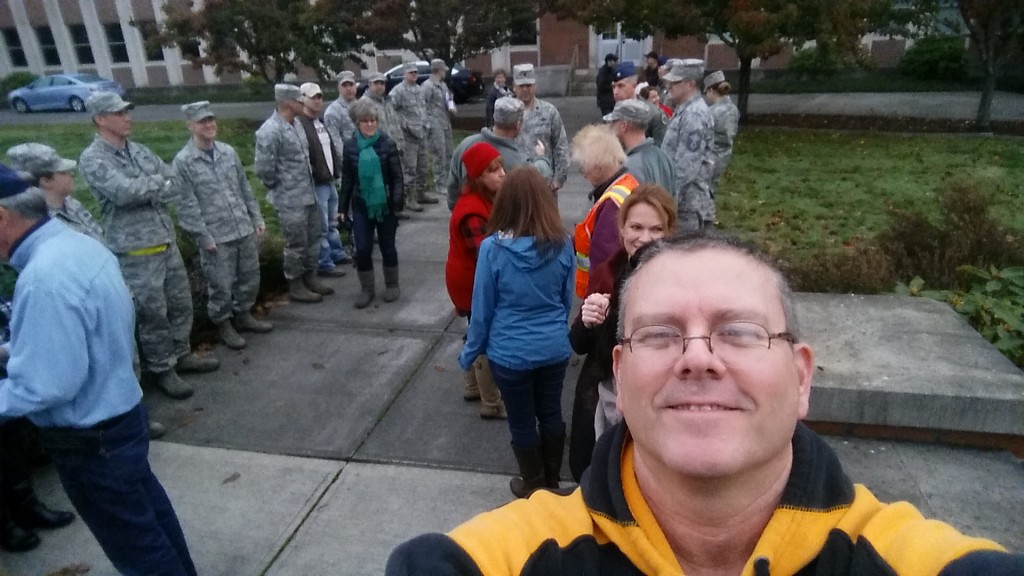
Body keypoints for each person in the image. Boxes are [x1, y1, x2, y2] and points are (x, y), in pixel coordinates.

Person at [386, 232, 1024, 575]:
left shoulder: (903, 559)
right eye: (660, 333)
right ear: (620, 374)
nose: (697, 357)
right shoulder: (511, 557)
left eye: (740, 331)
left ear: (801, 379)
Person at [0, 165, 198, 575]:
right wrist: (12, 351)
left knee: (139, 551)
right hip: (120, 419)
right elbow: (82, 337)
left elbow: (46, 386)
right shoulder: (75, 245)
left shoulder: (42, 279)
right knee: (152, 523)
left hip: (90, 442)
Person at [79, 91, 219, 401]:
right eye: (118, 113)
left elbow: (174, 183)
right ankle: (162, 369)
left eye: (126, 111)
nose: (127, 117)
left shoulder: (139, 151)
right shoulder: (93, 158)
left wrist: (151, 184)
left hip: (164, 241)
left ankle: (182, 354)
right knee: (152, 314)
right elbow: (123, 193)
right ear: (100, 119)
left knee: (180, 304)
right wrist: (155, 183)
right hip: (136, 251)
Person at [458, 166, 574, 499]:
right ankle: (553, 482)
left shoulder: (493, 249)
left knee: (522, 421)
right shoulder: (563, 244)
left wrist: (470, 353)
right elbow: (565, 300)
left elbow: (482, 310)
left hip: (510, 353)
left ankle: (532, 485)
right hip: (553, 347)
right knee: (551, 412)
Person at [567, 184, 676, 482]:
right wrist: (589, 320)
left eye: (656, 229)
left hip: (654, 402)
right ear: (622, 229)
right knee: (592, 473)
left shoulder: (681, 283)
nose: (644, 238)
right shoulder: (608, 273)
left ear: (669, 232)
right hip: (602, 397)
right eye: (636, 227)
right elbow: (577, 344)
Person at [172, 101, 272, 351]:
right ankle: (223, 323)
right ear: (190, 126)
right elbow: (186, 205)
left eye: (211, 120)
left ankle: (244, 314)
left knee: (249, 276)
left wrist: (256, 218)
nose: (208, 125)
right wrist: (203, 236)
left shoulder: (228, 152)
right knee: (221, 285)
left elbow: (244, 188)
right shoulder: (184, 162)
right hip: (216, 236)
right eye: (202, 121)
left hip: (241, 227)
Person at [445, 142, 507, 421]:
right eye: (493, 171)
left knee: (474, 330)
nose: (502, 174)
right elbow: (486, 253)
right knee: (484, 337)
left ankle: (471, 385)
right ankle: (491, 402)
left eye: (501, 168)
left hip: (472, 277)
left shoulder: (485, 200)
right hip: (470, 282)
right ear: (478, 177)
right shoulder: (472, 210)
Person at [255, 84, 331, 304]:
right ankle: (295, 285)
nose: (303, 103)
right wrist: (281, 187)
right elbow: (264, 169)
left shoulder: (297, 124)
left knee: (313, 238)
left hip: (308, 193)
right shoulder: (270, 131)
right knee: (296, 243)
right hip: (290, 199)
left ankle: (310, 277)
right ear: (289, 103)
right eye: (299, 100)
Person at [338, 99, 405, 309]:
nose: (370, 124)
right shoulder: (350, 147)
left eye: (373, 120)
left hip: (385, 205)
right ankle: (367, 289)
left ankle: (392, 284)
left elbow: (397, 177)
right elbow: (347, 180)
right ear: (357, 123)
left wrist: (396, 204)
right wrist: (342, 208)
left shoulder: (387, 143)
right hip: (361, 205)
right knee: (364, 249)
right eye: (365, 121)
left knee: (387, 247)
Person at [445, 96, 551, 210]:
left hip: (469, 218)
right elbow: (539, 178)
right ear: (518, 125)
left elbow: (452, 190)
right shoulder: (516, 160)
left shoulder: (465, 145)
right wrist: (542, 158)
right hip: (500, 222)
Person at [571, 124, 638, 298]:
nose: (583, 174)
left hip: (602, 299)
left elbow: (605, 262)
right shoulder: (627, 185)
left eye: (582, 167)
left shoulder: (611, 204)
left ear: (597, 167)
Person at [297, 82, 347, 280]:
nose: (317, 101)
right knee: (322, 225)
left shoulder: (320, 123)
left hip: (329, 180)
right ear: (303, 99)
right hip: (317, 183)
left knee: (332, 221)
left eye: (319, 97)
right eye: (312, 97)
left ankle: (337, 253)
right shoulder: (301, 125)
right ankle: (324, 262)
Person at [5, 143, 103, 241]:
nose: (71, 175)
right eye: (63, 172)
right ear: (46, 181)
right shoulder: (35, 220)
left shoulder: (70, 203)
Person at [661, 58, 715, 231]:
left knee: (684, 253)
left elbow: (687, 167)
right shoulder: (685, 109)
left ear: (691, 84)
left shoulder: (694, 115)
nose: (669, 86)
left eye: (675, 82)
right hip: (683, 201)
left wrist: (668, 202)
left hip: (686, 204)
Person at [513, 64, 570, 195]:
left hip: (544, 183)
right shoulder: (507, 113)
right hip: (516, 185)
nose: (525, 89)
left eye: (529, 85)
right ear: (514, 87)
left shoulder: (549, 112)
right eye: (521, 86)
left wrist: (558, 179)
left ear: (535, 86)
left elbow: (561, 145)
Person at [605, 99, 675, 191]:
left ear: (624, 125)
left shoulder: (629, 167)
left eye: (613, 122)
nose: (611, 127)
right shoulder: (664, 157)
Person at [389, 62, 431, 213]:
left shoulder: (419, 90)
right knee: (410, 168)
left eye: (415, 72)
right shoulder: (398, 91)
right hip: (408, 136)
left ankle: (420, 193)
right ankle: (409, 198)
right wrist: (404, 125)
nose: (414, 75)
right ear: (405, 74)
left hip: (421, 133)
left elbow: (423, 109)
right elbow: (392, 110)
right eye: (411, 72)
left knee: (423, 166)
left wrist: (426, 124)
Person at [610, 61, 668, 146]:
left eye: (621, 86)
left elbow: (659, 151)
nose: (615, 92)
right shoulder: (615, 110)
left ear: (634, 85)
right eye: (613, 87)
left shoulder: (653, 114)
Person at [422, 58, 455, 202]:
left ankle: (447, 181)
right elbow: (422, 105)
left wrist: (452, 107)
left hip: (445, 122)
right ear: (437, 70)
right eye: (443, 70)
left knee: (448, 152)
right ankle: (439, 183)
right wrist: (427, 123)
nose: (445, 73)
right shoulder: (427, 86)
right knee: (439, 154)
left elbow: (448, 99)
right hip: (434, 124)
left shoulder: (443, 86)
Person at [704, 70, 740, 198]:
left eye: (706, 92)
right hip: (725, 154)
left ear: (711, 91)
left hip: (711, 154)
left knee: (706, 189)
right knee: (712, 186)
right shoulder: (733, 108)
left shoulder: (712, 112)